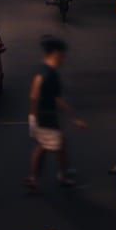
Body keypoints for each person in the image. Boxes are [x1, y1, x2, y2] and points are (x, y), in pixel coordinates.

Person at [27, 36, 86, 192]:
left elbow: (37, 94)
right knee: (54, 147)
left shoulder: (44, 69)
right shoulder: (49, 74)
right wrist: (75, 118)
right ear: (55, 54)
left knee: (49, 146)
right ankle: (60, 176)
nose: (64, 59)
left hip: (43, 116)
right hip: (46, 118)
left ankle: (39, 177)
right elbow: (40, 95)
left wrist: (33, 116)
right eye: (62, 55)